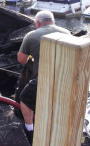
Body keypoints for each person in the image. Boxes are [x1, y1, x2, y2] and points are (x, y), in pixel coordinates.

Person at [17, 10, 70, 144]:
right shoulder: (67, 33)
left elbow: (22, 60)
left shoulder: (32, 35)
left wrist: (32, 56)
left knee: (24, 98)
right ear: (53, 21)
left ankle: (29, 129)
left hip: (44, 79)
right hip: (65, 79)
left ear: (38, 23)